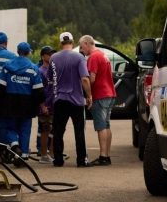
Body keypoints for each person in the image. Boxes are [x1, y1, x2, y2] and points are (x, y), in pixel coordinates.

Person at [50, 32, 93, 167]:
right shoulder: (79, 57)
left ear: (60, 43)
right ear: (72, 42)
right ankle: (81, 160)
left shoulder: (53, 58)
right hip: (76, 100)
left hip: (60, 99)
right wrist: (89, 95)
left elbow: (51, 78)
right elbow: (85, 79)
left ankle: (58, 160)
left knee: (58, 131)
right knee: (79, 131)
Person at [0, 42, 44, 164]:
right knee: (25, 129)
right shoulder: (33, 68)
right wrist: (40, 104)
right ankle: (23, 155)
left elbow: (0, 87)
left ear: (18, 51)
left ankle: (14, 145)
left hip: (10, 101)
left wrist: (0, 102)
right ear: (29, 52)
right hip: (27, 103)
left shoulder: (7, 66)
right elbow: (38, 90)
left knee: (10, 127)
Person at [79, 35, 116, 166]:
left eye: (82, 46)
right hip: (110, 93)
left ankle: (103, 156)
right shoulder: (103, 55)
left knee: (101, 126)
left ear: (87, 43)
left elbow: (92, 78)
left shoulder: (93, 57)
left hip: (100, 95)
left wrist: (84, 88)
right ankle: (107, 155)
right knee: (106, 125)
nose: (81, 50)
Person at [36, 46, 55, 163]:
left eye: (52, 54)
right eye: (48, 54)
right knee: (45, 130)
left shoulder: (54, 70)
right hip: (46, 106)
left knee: (55, 131)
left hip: (55, 105)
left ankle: (52, 153)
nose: (51, 56)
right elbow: (39, 91)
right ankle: (43, 154)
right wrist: (42, 106)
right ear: (43, 56)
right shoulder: (40, 71)